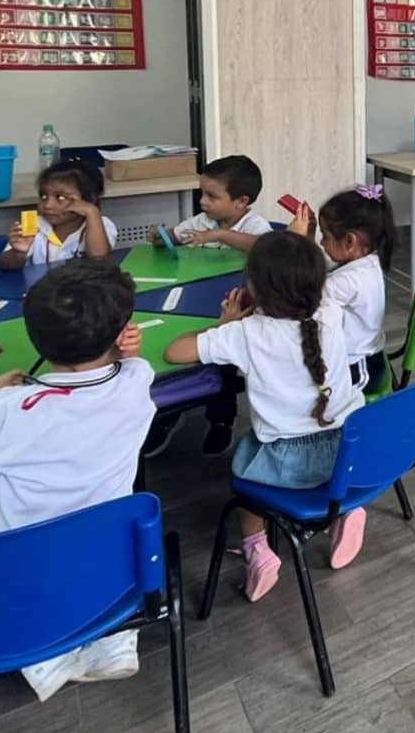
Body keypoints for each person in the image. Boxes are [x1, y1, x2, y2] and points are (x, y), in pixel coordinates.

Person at [0, 257, 156, 701]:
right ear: (121, 334)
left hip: (18, 577)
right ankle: (101, 639)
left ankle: (37, 647)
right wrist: (121, 351)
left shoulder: (7, 411)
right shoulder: (136, 381)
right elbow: (132, 367)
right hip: (105, 565)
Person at [165, 231, 365, 602]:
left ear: (255, 288)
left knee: (243, 475)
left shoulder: (245, 333)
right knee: (321, 469)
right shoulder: (331, 314)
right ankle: (345, 511)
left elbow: (175, 352)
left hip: (285, 462)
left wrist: (223, 324)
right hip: (348, 451)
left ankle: (258, 550)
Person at [291, 184, 395, 394]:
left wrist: (296, 244)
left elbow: (300, 296)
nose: (322, 243)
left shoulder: (347, 281)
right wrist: (308, 241)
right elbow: (320, 274)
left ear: (349, 241)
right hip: (366, 356)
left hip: (357, 367)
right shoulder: (367, 261)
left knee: (294, 381)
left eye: (325, 236)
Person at [0, 159, 116, 269]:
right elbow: (4, 266)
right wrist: (18, 253)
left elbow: (99, 259)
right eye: (43, 197)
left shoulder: (101, 224)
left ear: (89, 200)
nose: (48, 205)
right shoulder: (35, 224)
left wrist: (92, 212)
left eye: (61, 197)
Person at [149, 154, 272, 251]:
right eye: (202, 193)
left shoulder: (254, 225)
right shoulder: (201, 221)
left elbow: (265, 248)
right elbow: (176, 236)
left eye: (211, 196)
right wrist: (161, 237)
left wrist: (221, 235)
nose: (202, 201)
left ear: (241, 201)